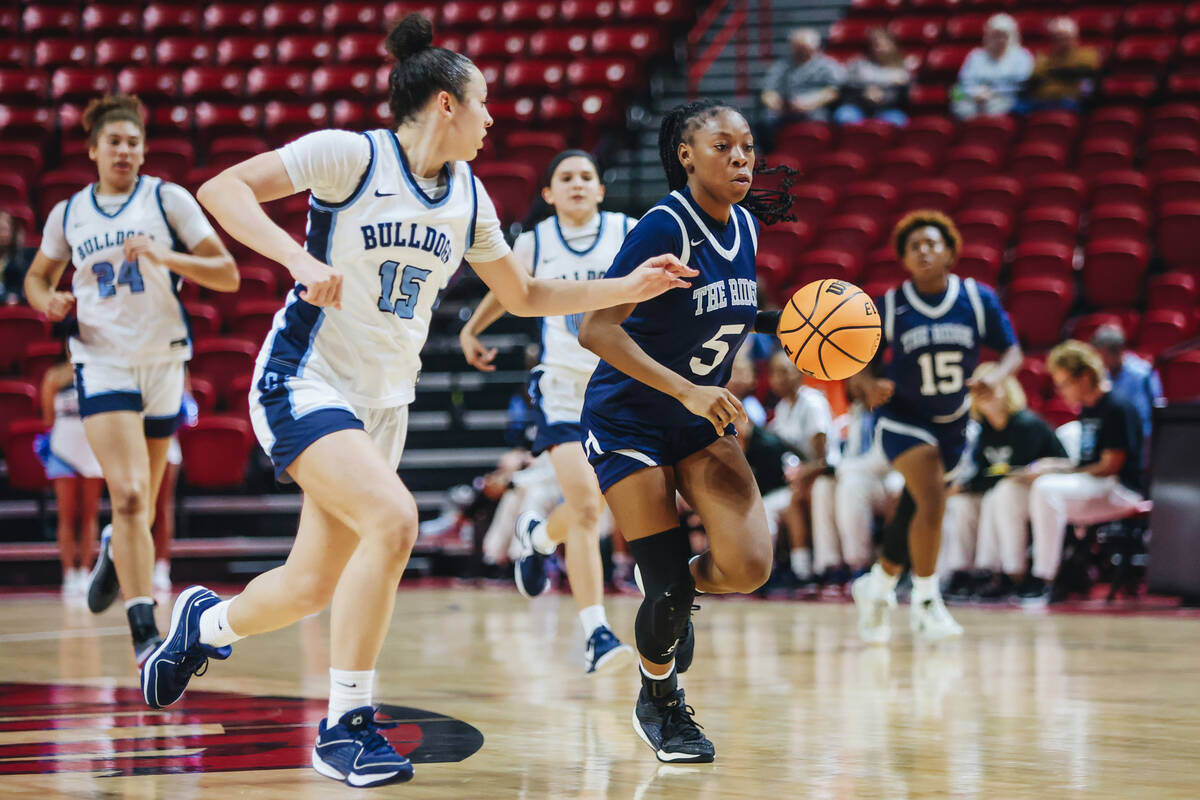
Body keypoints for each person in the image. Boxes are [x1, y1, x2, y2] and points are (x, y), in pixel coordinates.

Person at [138, 15, 693, 789]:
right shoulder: (351, 155)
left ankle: (202, 623)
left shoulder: (468, 197)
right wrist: (296, 257)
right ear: (444, 105)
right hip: (306, 377)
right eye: (483, 103)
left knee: (309, 587)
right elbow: (221, 189)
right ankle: (346, 727)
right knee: (396, 520)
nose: (493, 119)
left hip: (384, 404)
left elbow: (525, 293)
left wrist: (627, 287)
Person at [578, 98, 796, 763]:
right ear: (685, 154)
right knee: (668, 588)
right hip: (629, 417)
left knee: (751, 565)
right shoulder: (663, 226)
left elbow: (716, 314)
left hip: (699, 418)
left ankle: (666, 597)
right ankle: (660, 698)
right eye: (723, 145)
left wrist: (792, 327)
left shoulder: (748, 230)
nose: (740, 157)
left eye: (748, 147)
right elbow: (596, 327)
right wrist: (688, 390)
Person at [23, 94, 238, 666]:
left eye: (133, 142)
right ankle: (145, 631)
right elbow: (36, 278)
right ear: (94, 150)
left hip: (164, 360)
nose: (124, 150)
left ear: (144, 151)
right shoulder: (69, 214)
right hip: (102, 359)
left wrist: (169, 258)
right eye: (114, 141)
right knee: (132, 492)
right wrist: (47, 300)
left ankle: (117, 552)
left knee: (138, 506)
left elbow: (227, 272)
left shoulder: (168, 201)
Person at [458, 149, 635, 674]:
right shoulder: (535, 242)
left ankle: (535, 539)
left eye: (587, 176)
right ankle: (595, 633)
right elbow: (509, 290)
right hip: (560, 388)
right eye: (566, 177)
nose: (578, 183)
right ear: (549, 194)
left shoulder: (627, 230)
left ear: (601, 190)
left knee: (603, 504)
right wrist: (472, 329)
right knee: (584, 507)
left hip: (620, 384)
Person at [848, 210, 1022, 643]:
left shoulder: (976, 299)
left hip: (953, 422)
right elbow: (858, 371)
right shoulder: (888, 306)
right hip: (903, 421)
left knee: (915, 507)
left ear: (950, 251)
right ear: (904, 259)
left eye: (931, 243)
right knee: (930, 496)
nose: (923, 251)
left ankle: (879, 585)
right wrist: (870, 385)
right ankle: (926, 602)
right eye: (913, 247)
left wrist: (995, 378)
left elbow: (1012, 352)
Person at [1020, 340, 1146, 603]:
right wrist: (1056, 467)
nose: (1060, 391)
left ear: (1085, 376)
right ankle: (1015, 573)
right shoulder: (1089, 409)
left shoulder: (1117, 407)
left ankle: (1045, 577)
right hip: (1099, 483)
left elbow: (1110, 466)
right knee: (1036, 486)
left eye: (1065, 383)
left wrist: (1062, 474)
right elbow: (1088, 463)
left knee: (1047, 489)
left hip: (1122, 489)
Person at [939, 363, 1068, 601]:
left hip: (1039, 490)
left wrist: (972, 485)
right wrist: (962, 488)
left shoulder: (1026, 425)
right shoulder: (986, 430)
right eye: (981, 392)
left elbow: (1014, 471)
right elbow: (983, 473)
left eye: (991, 389)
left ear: (1006, 389)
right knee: (962, 503)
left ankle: (1005, 571)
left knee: (998, 495)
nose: (986, 397)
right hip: (1003, 488)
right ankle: (962, 571)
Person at [810, 384, 901, 586]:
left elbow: (882, 461)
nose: (853, 384)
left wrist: (841, 468)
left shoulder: (888, 407)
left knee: (851, 486)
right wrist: (836, 468)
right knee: (823, 486)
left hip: (891, 478)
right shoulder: (857, 410)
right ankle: (831, 566)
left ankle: (859, 565)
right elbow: (850, 454)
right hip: (861, 475)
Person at [36, 355, 105, 598]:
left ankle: (86, 573)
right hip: (63, 449)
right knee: (66, 513)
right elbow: (47, 419)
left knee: (89, 513)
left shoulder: (101, 372)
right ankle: (68, 575)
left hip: (92, 448)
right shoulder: (54, 376)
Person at [766, 350, 834, 583]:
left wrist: (802, 473)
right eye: (773, 373)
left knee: (795, 500)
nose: (777, 378)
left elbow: (823, 460)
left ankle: (803, 571)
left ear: (799, 374)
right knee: (768, 503)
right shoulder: (783, 408)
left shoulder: (813, 404)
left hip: (826, 476)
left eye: (783, 372)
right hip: (798, 480)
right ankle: (774, 569)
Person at [1090, 324, 1162, 467]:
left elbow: (1146, 417)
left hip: (1140, 443)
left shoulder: (1142, 374)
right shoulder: (1103, 374)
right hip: (1114, 440)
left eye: (1103, 355)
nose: (1100, 361)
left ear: (1117, 351)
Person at [759, 28, 845, 147]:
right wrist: (776, 104)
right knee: (765, 119)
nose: (800, 51)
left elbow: (834, 91)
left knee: (825, 119)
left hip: (815, 108)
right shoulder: (781, 66)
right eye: (797, 47)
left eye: (804, 47)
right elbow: (768, 91)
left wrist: (809, 103)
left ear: (814, 47)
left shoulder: (828, 66)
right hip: (785, 110)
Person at [951, 13, 1034, 119]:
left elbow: (1022, 83)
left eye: (1004, 35)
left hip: (1007, 99)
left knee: (996, 110)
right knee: (960, 107)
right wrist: (975, 93)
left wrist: (993, 92)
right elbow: (964, 82)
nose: (1000, 39)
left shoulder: (1022, 56)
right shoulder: (976, 56)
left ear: (1012, 36)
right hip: (975, 99)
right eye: (996, 35)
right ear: (988, 36)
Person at [834, 28, 911, 127]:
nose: (879, 48)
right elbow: (846, 85)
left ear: (893, 45)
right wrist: (864, 93)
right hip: (858, 107)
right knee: (844, 116)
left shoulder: (901, 67)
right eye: (875, 45)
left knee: (897, 121)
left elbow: (902, 94)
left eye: (884, 44)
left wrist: (883, 96)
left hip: (887, 109)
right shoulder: (858, 64)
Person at [1021, 17, 1099, 113]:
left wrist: (1052, 71)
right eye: (1057, 39)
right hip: (1043, 101)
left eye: (1066, 38)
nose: (1062, 42)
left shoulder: (1087, 54)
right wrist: (1061, 71)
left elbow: (1082, 70)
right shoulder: (1044, 57)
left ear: (1075, 38)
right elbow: (1035, 76)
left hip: (1072, 101)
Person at [0, 209, 32, 304]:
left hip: (13, 303)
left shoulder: (21, 258)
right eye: (0, 230)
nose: (3, 235)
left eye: (5, 230)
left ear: (12, 232)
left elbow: (22, 289)